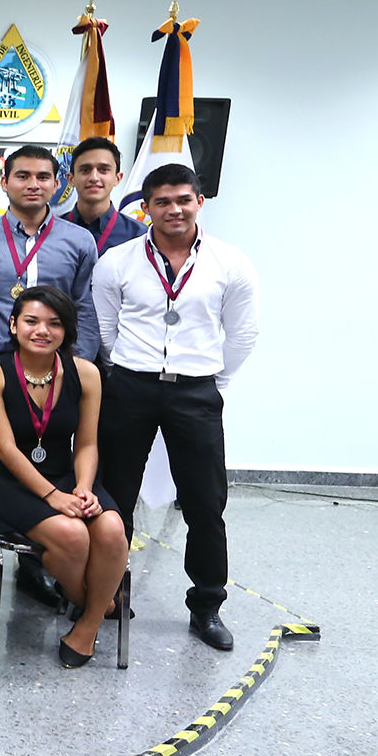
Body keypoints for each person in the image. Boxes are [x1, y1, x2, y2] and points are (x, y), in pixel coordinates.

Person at [93, 162, 258, 651]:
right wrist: (127, 371)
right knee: (115, 497)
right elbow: (105, 331)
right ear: (146, 208)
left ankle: (206, 605)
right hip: (130, 387)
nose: (174, 209)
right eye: (161, 201)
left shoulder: (230, 263)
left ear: (199, 202)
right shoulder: (117, 261)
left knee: (206, 504)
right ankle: (109, 592)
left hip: (195, 391)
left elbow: (243, 334)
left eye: (183, 199)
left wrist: (212, 381)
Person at [0, 286, 128, 668]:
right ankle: (97, 600)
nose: (42, 331)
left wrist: (84, 488)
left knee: (111, 529)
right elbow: (5, 449)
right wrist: (52, 497)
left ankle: (87, 626)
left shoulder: (85, 373)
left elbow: (87, 443)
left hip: (65, 473)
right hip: (2, 478)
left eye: (54, 324)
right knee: (72, 534)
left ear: (66, 330)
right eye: (31, 321)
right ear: (12, 325)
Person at [0, 144, 99, 366]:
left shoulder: (80, 241)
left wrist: (75, 363)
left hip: (59, 364)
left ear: (56, 184)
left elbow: (86, 307)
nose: (33, 185)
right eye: (23, 176)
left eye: (43, 177)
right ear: (4, 183)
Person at [66, 137, 143, 256]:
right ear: (71, 179)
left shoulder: (138, 236)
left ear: (118, 178)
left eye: (103, 170)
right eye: (85, 170)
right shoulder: (51, 230)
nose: (94, 178)